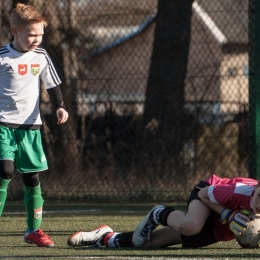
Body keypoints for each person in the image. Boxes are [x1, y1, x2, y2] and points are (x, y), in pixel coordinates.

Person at [0, 3, 68, 247]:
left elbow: (52, 85)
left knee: (32, 178)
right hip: (3, 125)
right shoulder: (2, 56)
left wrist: (59, 106)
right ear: (15, 31)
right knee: (4, 171)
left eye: (40, 34)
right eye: (32, 34)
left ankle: (33, 231)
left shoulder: (41, 56)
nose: (37, 39)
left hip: (31, 128)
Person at [67, 174, 259, 248]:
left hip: (219, 227)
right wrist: (228, 214)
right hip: (207, 198)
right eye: (259, 197)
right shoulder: (238, 192)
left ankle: (105, 237)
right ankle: (159, 213)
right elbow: (203, 195)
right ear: (257, 187)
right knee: (190, 226)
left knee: (147, 244)